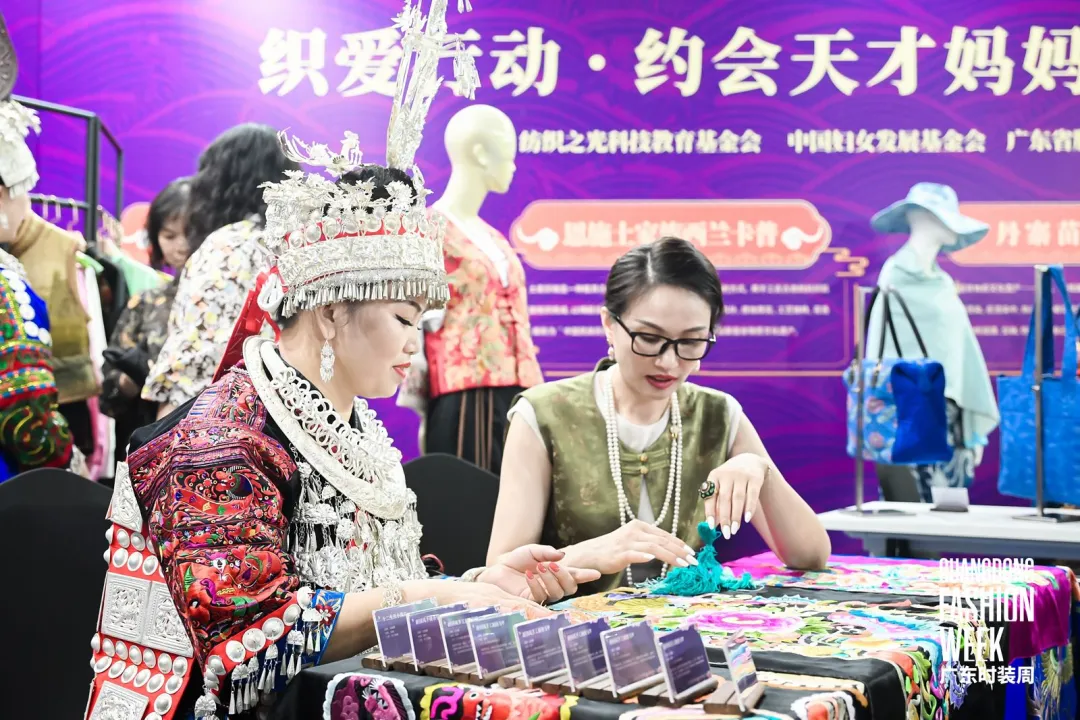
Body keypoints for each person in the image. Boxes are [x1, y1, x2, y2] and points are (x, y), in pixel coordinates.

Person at [84, 130, 598, 720]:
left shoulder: (351, 422)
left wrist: (480, 585)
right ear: (331, 312)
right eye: (403, 318)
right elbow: (248, 643)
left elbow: (378, 582)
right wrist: (436, 597)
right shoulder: (217, 442)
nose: (415, 342)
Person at [488, 237, 831, 595]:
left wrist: (759, 469)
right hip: (575, 626)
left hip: (691, 626)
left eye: (691, 342)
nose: (669, 362)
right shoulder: (543, 414)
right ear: (609, 324)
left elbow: (810, 556)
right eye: (649, 338)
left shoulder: (718, 414)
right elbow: (500, 577)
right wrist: (585, 554)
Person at [143, 123, 299, 419]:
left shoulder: (226, 246)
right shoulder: (299, 245)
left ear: (219, 182)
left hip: (217, 418)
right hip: (287, 412)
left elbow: (196, 356)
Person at [100, 178, 192, 459]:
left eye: (190, 233)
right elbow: (107, 390)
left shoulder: (228, 302)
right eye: (169, 236)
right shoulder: (145, 303)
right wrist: (130, 381)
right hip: (146, 444)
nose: (181, 246)